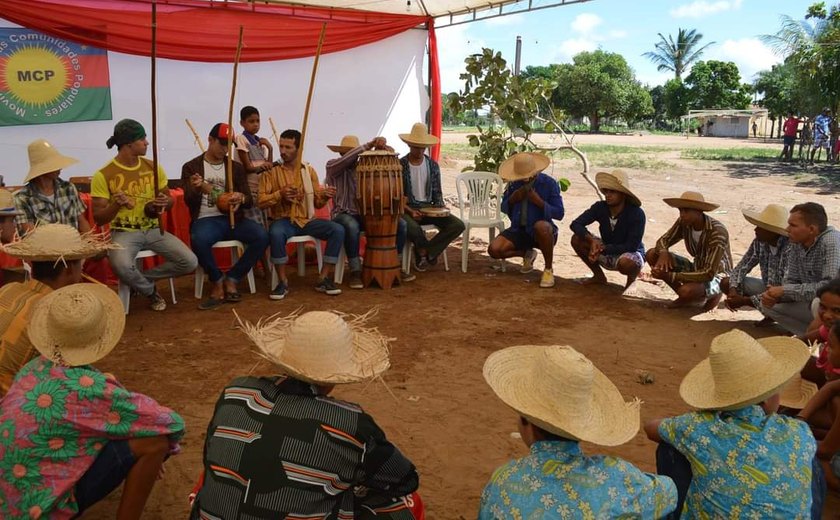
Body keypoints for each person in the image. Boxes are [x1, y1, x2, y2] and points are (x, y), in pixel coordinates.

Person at [190, 309, 421, 519]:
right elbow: (405, 480)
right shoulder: (350, 424)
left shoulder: (236, 391)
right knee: (398, 505)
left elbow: (209, 454)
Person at [0, 283, 185, 519]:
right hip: (40, 511)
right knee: (154, 441)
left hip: (10, 501)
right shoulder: (90, 388)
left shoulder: (32, 368)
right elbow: (171, 423)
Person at [479, 344, 678, 518]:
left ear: (525, 421)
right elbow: (669, 492)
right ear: (584, 426)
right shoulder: (616, 474)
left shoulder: (503, 480)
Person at [644, 329, 822, 518]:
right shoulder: (798, 430)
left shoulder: (700, 426)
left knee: (670, 447)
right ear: (765, 398)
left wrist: (696, 422)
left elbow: (651, 427)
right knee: (811, 463)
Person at [91, 118, 198, 311]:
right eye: (142, 139)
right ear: (128, 144)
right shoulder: (104, 174)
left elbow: (169, 198)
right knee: (121, 266)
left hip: (154, 229)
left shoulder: (153, 167)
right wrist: (116, 204)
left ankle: (139, 280)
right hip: (124, 232)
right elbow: (99, 218)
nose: (147, 143)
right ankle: (150, 291)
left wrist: (166, 202)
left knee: (189, 262)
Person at [0, 223, 114, 396]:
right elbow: (74, 378)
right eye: (80, 264)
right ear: (69, 270)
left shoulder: (8, 289)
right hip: (10, 408)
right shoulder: (57, 315)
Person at [181, 123, 270, 310]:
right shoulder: (191, 167)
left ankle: (233, 277)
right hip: (206, 219)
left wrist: (240, 197)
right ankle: (216, 280)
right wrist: (197, 188)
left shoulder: (235, 167)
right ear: (210, 140)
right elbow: (188, 201)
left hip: (233, 220)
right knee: (198, 238)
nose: (224, 148)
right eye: (221, 143)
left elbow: (248, 200)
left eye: (228, 144)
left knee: (261, 236)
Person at [259, 129, 344, 299]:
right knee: (275, 233)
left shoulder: (308, 170)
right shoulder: (270, 171)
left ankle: (323, 277)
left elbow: (316, 202)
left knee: (338, 230)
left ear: (299, 148)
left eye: (288, 147)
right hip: (283, 220)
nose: (283, 151)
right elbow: (260, 201)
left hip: (307, 221)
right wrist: (280, 194)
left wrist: (325, 197)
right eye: (281, 146)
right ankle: (282, 282)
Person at [325, 134, 413, 289]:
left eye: (352, 153)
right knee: (351, 226)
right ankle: (355, 270)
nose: (349, 156)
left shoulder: (364, 168)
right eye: (346, 153)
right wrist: (369, 145)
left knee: (401, 225)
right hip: (343, 214)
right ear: (340, 154)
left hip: (366, 215)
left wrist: (383, 150)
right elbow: (346, 161)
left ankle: (395, 263)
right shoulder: (333, 166)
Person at [758, 203, 840, 336]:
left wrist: (784, 290)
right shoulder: (797, 242)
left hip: (830, 305)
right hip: (812, 302)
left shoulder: (831, 242)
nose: (787, 229)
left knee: (818, 303)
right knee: (767, 305)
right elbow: (793, 280)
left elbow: (827, 287)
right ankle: (810, 338)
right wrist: (777, 297)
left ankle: (826, 338)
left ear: (812, 229)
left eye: (793, 225)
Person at [488, 152, 564, 289]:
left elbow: (559, 213)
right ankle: (527, 253)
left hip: (541, 231)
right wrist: (512, 199)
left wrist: (539, 202)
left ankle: (548, 269)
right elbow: (503, 207)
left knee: (542, 227)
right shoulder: (513, 185)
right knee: (494, 250)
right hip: (518, 229)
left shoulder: (549, 184)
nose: (523, 179)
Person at [646, 191, 732, 311]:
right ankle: (689, 298)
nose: (682, 215)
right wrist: (663, 252)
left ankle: (712, 293)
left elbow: (708, 273)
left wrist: (671, 276)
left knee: (686, 291)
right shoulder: (684, 222)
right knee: (652, 254)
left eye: (686, 211)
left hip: (717, 275)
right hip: (697, 267)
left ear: (699, 211)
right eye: (680, 211)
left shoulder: (717, 232)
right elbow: (664, 240)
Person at [399, 122, 465, 271]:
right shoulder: (400, 165)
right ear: (410, 146)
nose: (420, 150)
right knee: (412, 228)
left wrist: (440, 208)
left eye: (422, 147)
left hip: (430, 208)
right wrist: (409, 210)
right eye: (417, 146)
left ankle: (425, 251)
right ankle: (426, 253)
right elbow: (396, 196)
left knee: (457, 225)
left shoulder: (432, 165)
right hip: (408, 209)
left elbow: (437, 192)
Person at [570, 169, 645, 289]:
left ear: (623, 194)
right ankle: (599, 276)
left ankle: (631, 282)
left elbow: (631, 246)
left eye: (613, 192)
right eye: (607, 191)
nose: (608, 195)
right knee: (576, 239)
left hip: (629, 253)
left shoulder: (636, 213)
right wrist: (592, 240)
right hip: (606, 248)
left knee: (627, 262)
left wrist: (602, 248)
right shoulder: (600, 207)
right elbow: (576, 224)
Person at [721, 204, 791, 321]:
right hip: (767, 287)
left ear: (772, 231)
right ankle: (769, 315)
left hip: (785, 294)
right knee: (726, 282)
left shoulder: (790, 249)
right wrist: (733, 290)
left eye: (760, 227)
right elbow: (742, 266)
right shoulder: (760, 242)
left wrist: (744, 301)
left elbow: (785, 289)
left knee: (776, 298)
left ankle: (780, 318)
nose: (755, 230)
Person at [14, 139, 90, 234]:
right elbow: (30, 235)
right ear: (43, 170)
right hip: (42, 248)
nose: (60, 168)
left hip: (74, 247)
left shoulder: (68, 188)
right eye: (53, 165)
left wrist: (88, 243)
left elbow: (82, 222)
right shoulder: (22, 199)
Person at [798, 324, 840, 491]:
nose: (826, 349)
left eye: (832, 346)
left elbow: (824, 451)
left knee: (808, 461)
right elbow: (829, 389)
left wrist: (793, 438)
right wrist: (801, 419)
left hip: (830, 454)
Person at [235, 105, 273, 226]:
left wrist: (270, 148)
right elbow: (247, 167)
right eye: (251, 121)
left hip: (262, 191)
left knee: (266, 226)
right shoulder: (241, 139)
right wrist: (262, 168)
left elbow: (269, 166)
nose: (255, 124)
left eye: (258, 121)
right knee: (256, 226)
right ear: (242, 123)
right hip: (250, 191)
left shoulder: (260, 142)